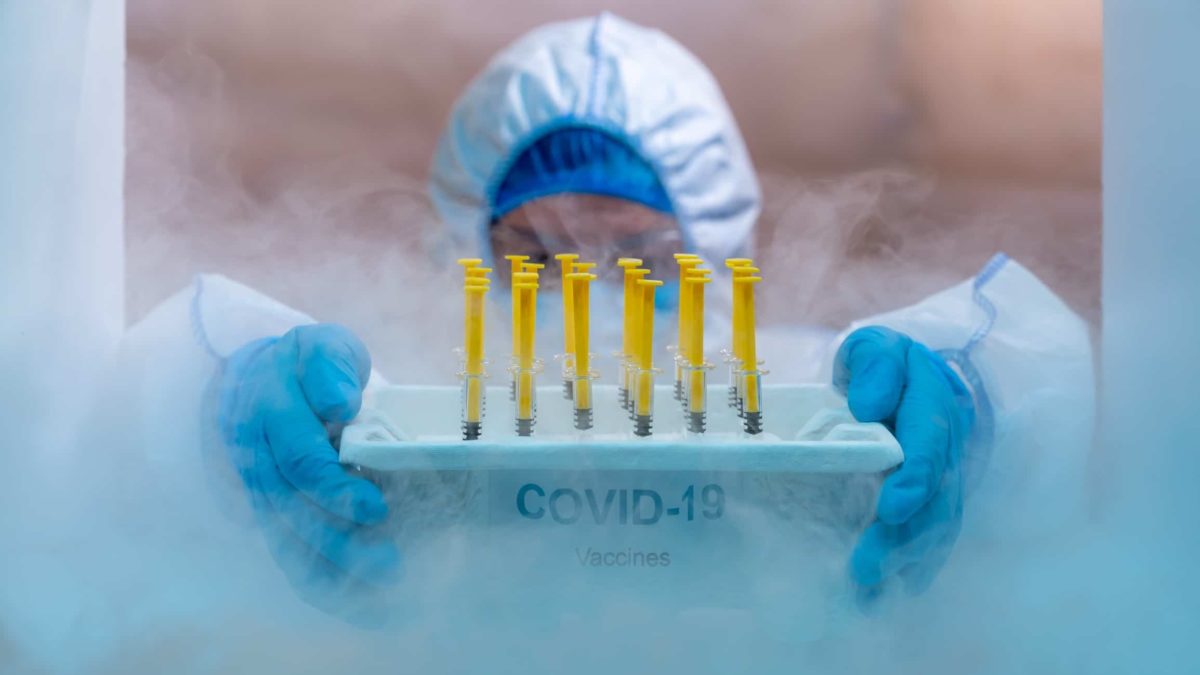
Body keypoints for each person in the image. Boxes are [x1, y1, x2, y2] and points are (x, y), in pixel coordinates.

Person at [118, 13, 1094, 621]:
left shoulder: (814, 399)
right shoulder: (389, 411)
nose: (586, 285)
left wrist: (983, 401)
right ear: (466, 248)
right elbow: (106, 490)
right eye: (536, 255)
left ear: (714, 254)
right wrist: (211, 411)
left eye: (640, 259)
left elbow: (1073, 458)